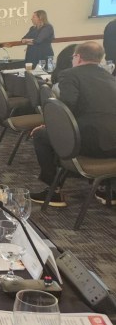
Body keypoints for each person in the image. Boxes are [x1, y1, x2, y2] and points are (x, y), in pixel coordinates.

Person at [29, 41, 116, 206]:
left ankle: (54, 191)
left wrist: (50, 127)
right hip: (113, 145)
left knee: (41, 135)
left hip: (91, 143)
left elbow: (67, 109)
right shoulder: (110, 77)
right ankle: (107, 189)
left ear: (77, 57)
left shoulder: (70, 74)